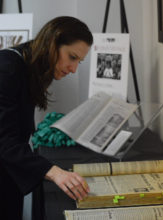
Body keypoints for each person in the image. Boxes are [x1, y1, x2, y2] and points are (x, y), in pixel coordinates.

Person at [0, 16, 93, 220]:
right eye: (72, 57)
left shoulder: (27, 65)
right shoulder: (7, 67)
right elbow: (3, 140)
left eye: (79, 61)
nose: (74, 69)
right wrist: (54, 172)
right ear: (53, 43)